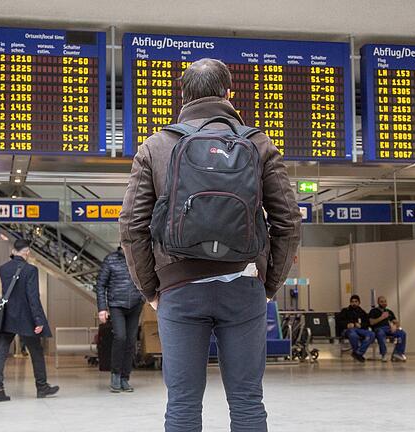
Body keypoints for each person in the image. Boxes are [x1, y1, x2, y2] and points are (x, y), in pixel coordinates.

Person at [119, 58, 301, 432]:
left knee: (183, 403)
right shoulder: (258, 142)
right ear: (228, 94)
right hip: (244, 287)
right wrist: (269, 286)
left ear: (183, 96)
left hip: (179, 290)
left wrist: (152, 289)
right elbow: (289, 222)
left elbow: (131, 226)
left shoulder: (156, 146)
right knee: (248, 401)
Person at [0, 239, 59, 402]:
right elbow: (32, 297)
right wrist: (38, 320)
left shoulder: (3, 269)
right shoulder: (31, 270)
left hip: (7, 316)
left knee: (1, 351)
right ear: (26, 252)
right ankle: (42, 387)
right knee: (35, 351)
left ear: (14, 251)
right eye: (28, 251)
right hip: (26, 316)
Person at [95, 246, 144, 393]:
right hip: (117, 305)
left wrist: (143, 298)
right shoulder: (111, 260)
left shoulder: (139, 259)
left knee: (130, 342)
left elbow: (147, 278)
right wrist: (102, 308)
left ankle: (125, 377)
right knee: (120, 337)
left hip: (135, 305)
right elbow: (100, 284)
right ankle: (115, 375)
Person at [336, 295, 375, 363]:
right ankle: (358, 354)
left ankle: (358, 353)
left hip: (360, 329)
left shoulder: (362, 312)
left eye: (356, 301)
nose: (354, 303)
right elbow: (339, 321)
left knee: (371, 334)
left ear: (359, 302)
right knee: (353, 335)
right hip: (348, 330)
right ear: (350, 302)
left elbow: (367, 323)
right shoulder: (345, 311)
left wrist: (361, 325)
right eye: (352, 302)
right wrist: (347, 324)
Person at [368, 296, 407, 362]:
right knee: (380, 334)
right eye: (381, 302)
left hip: (389, 328)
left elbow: (396, 322)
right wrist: (382, 317)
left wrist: (395, 326)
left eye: (385, 301)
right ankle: (384, 354)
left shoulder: (389, 312)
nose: (383, 303)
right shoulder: (373, 311)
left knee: (402, 333)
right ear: (378, 302)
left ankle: (397, 353)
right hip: (379, 328)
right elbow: (371, 322)